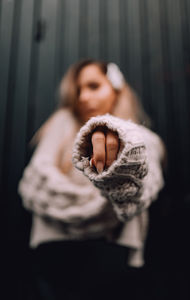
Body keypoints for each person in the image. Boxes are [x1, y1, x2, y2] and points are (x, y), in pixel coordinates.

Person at [18, 59, 166, 299]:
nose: (84, 97)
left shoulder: (142, 139)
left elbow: (144, 184)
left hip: (112, 257)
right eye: (78, 90)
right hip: (57, 255)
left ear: (116, 88)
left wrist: (124, 146)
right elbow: (37, 178)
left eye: (94, 86)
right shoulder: (62, 123)